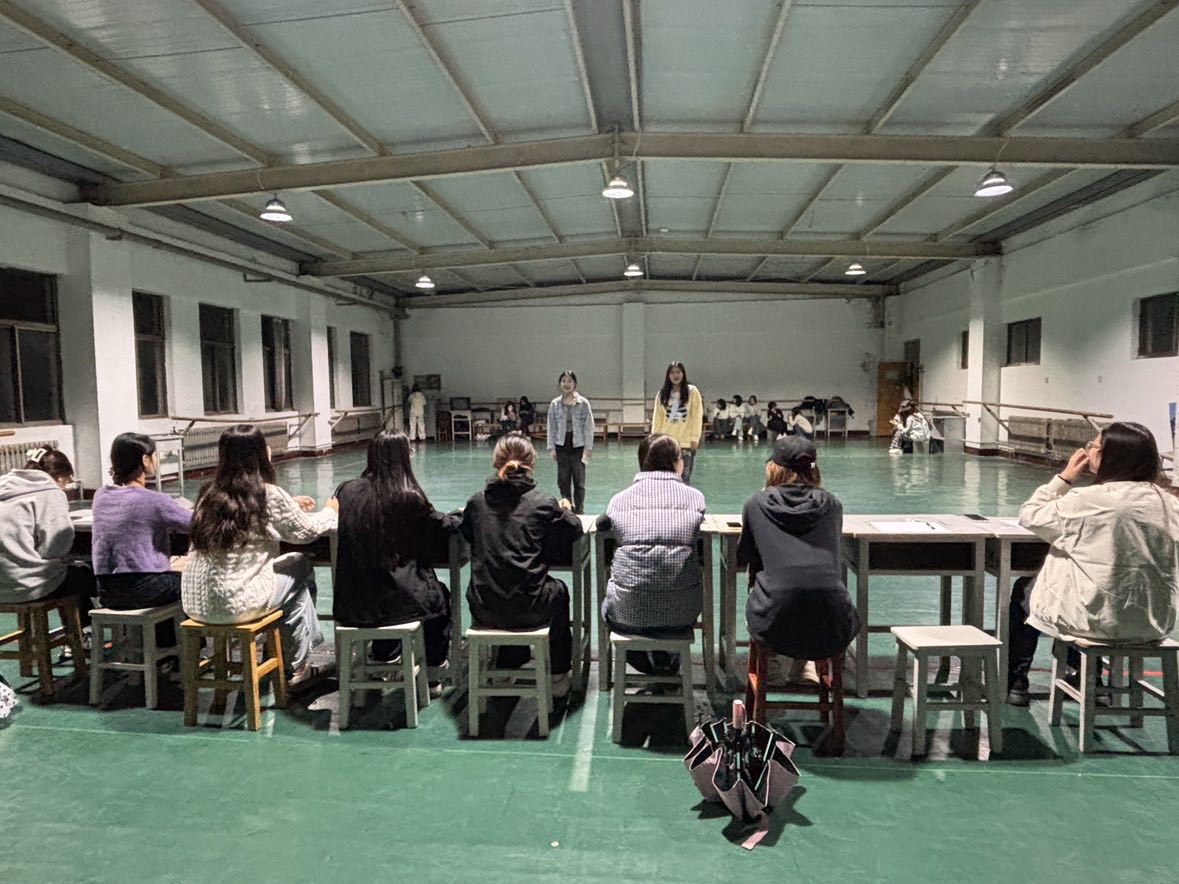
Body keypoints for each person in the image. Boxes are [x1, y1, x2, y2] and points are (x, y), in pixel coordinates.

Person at [1006, 422, 1179, 706]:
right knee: (1090, 584)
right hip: (1153, 622)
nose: (1087, 451)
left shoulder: (1088, 500)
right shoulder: (1169, 504)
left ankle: (1016, 680)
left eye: (1093, 446)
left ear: (1110, 457)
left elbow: (1031, 514)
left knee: (1027, 590)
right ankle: (1088, 677)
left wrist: (1064, 478)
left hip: (1096, 620)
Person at [182, 425, 338, 685]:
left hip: (195, 604)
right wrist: (330, 510)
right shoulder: (268, 494)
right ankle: (297, 666)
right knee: (299, 568)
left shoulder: (207, 493)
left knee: (294, 590)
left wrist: (289, 504)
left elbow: (246, 512)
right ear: (260, 453)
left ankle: (293, 657)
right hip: (237, 602)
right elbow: (307, 532)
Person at [460, 433, 583, 698]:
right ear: (531, 464)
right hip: (530, 608)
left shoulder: (476, 503)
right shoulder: (543, 502)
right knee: (556, 591)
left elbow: (468, 534)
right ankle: (558, 673)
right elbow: (574, 528)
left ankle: (508, 663)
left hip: (484, 607)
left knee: (503, 582)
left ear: (496, 462)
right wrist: (564, 510)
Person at [334, 431, 459, 692]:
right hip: (395, 603)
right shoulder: (407, 496)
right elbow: (440, 527)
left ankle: (385, 654)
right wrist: (460, 517)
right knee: (437, 598)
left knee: (386, 589)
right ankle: (434, 671)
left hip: (353, 603)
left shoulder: (347, 491)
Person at [737, 435, 860, 685]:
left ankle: (771, 665)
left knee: (763, 576)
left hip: (774, 623)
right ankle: (806, 665)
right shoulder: (832, 505)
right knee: (810, 580)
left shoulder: (756, 504)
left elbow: (743, 557)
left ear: (773, 468)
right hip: (833, 622)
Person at [599, 434, 706, 675]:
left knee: (608, 607)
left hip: (628, 613)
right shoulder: (695, 498)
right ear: (677, 463)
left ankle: (652, 665)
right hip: (682, 612)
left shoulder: (618, 502)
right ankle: (665, 663)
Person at [91, 433, 193, 647]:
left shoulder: (100, 495)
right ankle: (181, 651)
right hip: (143, 588)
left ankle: (158, 648)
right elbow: (195, 523)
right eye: (154, 456)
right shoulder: (156, 500)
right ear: (145, 460)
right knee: (191, 582)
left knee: (167, 580)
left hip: (107, 591)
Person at [0, 447, 95, 614]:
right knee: (90, 573)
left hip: (3, 585)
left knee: (68, 573)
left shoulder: (5, 488)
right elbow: (54, 548)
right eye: (67, 482)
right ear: (60, 477)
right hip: (28, 585)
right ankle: (83, 627)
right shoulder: (50, 493)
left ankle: (78, 626)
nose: (64, 487)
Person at [546, 370, 594, 514]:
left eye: (569, 381)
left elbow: (589, 426)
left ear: (575, 384)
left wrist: (588, 448)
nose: (566, 384)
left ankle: (579, 511)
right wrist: (551, 447)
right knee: (563, 481)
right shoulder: (554, 404)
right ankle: (567, 511)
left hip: (578, 447)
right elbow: (551, 426)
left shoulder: (583, 403)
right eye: (563, 381)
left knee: (579, 482)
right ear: (560, 384)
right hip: (561, 446)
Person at [651, 362, 704, 485]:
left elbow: (696, 416)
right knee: (664, 477)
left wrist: (694, 438)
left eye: (678, 372)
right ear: (668, 375)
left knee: (684, 478)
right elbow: (657, 418)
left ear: (683, 374)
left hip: (685, 442)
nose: (676, 375)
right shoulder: (662, 394)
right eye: (672, 372)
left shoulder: (692, 392)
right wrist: (654, 440)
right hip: (666, 442)